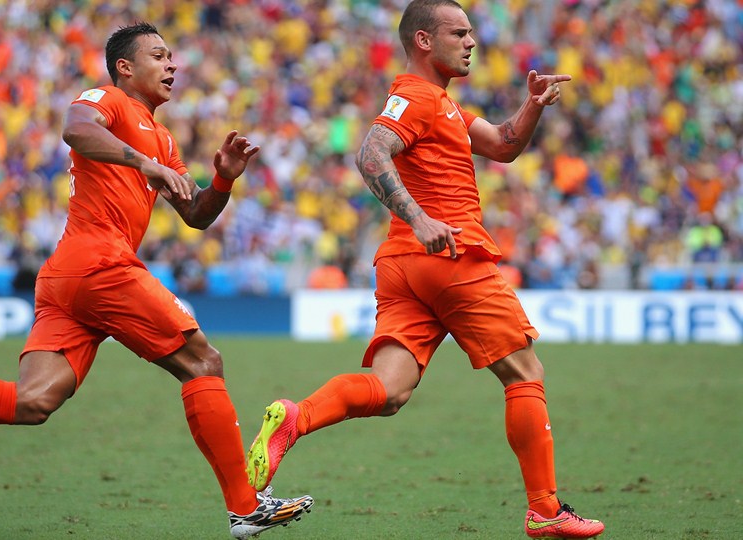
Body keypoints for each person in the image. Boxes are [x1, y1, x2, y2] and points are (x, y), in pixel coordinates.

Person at [0, 22, 311, 539]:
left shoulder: (165, 138)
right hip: (98, 263)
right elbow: (76, 129)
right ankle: (244, 506)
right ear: (126, 67)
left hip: (69, 275)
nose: (172, 64)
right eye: (159, 55)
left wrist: (223, 178)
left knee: (34, 400)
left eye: (172, 56)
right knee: (203, 362)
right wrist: (143, 163)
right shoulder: (106, 99)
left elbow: (195, 214)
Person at [244, 2, 604, 539]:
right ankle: (546, 509)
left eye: (471, 32)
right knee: (525, 373)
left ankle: (296, 418)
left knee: (390, 391)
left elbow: (504, 145)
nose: (471, 41)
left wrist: (532, 107)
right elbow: (371, 153)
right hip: (450, 254)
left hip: (403, 265)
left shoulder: (444, 105)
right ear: (424, 41)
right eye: (458, 32)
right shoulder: (415, 96)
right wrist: (419, 216)